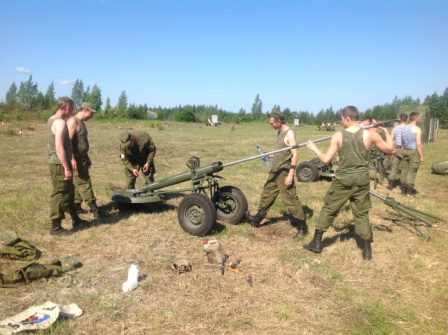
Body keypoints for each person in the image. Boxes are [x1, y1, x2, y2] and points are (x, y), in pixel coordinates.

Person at [303, 106, 395, 260]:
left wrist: (314, 149)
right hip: (361, 180)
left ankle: (316, 242)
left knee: (329, 208)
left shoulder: (338, 136)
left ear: (347, 118)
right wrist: (386, 132)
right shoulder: (370, 134)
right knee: (361, 213)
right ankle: (366, 250)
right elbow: (391, 150)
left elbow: (326, 160)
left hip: (343, 180)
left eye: (341, 119)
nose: (341, 121)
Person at [245, 110, 307, 237]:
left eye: (272, 123)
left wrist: (290, 175)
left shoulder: (289, 134)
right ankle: (258, 219)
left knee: (290, 199)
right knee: (267, 193)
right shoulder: (279, 132)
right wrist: (268, 154)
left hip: (284, 171)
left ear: (279, 121)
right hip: (275, 170)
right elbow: (280, 153)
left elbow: (295, 155)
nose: (271, 125)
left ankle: (302, 226)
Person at [46, 97, 85, 236]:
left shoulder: (51, 119)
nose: (72, 112)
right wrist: (66, 167)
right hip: (59, 164)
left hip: (59, 162)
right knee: (60, 193)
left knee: (69, 191)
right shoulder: (60, 123)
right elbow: (59, 147)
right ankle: (56, 227)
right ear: (67, 108)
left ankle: (75, 219)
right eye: (72, 109)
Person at [67, 102, 103, 218]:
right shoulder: (73, 121)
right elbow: (68, 142)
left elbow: (81, 142)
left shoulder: (81, 123)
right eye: (91, 113)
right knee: (84, 182)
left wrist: (87, 158)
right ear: (85, 110)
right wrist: (72, 159)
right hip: (75, 159)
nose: (91, 116)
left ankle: (76, 206)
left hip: (82, 158)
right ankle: (95, 210)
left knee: (80, 183)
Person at [400, 112, 423, 196]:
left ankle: (403, 190)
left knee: (404, 170)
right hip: (413, 152)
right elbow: (418, 144)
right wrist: (421, 156)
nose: (419, 119)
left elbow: (402, 142)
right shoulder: (417, 129)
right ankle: (409, 192)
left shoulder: (403, 128)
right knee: (412, 171)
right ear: (416, 119)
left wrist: (404, 149)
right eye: (419, 118)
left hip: (405, 151)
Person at [387, 114, 408, 190]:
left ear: (399, 119)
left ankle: (391, 183)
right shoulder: (409, 128)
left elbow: (391, 139)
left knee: (394, 167)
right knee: (405, 168)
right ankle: (403, 186)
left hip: (396, 149)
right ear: (407, 119)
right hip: (405, 149)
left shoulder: (395, 128)